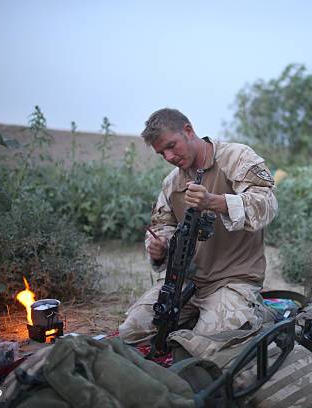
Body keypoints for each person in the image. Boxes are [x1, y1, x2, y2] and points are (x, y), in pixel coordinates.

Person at [119, 108, 278, 344]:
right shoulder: (171, 183)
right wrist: (159, 247)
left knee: (209, 341)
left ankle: (257, 312)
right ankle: (210, 317)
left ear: (188, 131)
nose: (169, 157)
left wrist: (215, 202)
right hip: (186, 282)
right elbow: (162, 225)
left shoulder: (237, 158)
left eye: (172, 146)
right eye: (162, 153)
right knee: (132, 332)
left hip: (233, 280)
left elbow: (267, 204)